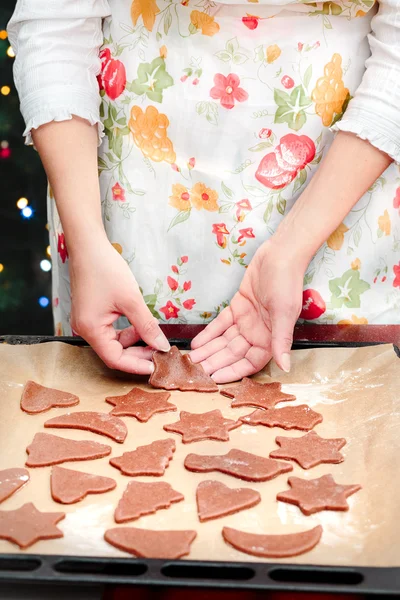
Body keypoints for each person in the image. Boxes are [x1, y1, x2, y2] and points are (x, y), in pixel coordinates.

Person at [7, 0, 400, 383]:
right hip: (125, 199)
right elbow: (55, 22)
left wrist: (292, 248)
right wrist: (87, 242)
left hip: (344, 183)